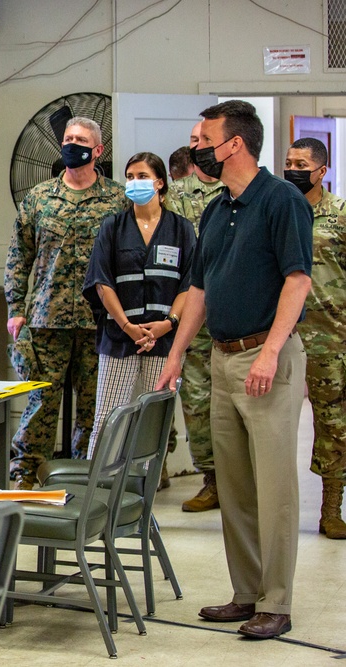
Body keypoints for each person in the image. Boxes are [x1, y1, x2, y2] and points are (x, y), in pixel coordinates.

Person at [157, 100, 312, 640]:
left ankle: (278, 600)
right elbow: (198, 288)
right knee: (237, 487)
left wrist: (270, 350)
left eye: (204, 138)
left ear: (234, 145)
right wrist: (175, 354)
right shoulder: (216, 208)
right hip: (221, 360)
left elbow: (297, 280)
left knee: (274, 490)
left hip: (264, 359)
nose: (196, 146)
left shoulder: (282, 201)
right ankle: (246, 593)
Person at [5, 117, 126, 489]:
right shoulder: (39, 197)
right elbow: (18, 257)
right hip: (46, 320)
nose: (73, 144)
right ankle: (25, 476)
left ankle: (86, 480)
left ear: (98, 150)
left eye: (82, 140)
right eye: (68, 138)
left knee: (94, 410)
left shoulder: (117, 200)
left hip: (99, 322)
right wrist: (16, 310)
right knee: (40, 404)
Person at [83, 152, 196, 458]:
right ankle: (100, 492)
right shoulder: (113, 227)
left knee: (153, 423)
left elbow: (191, 284)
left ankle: (143, 493)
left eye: (142, 176)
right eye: (130, 176)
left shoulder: (181, 229)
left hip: (164, 340)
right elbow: (102, 282)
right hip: (120, 338)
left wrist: (168, 323)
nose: (135, 182)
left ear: (160, 183)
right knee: (108, 419)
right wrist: (127, 327)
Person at [285, 137, 346, 540]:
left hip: (331, 337)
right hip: (280, 336)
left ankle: (330, 510)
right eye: (288, 161)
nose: (292, 169)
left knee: (333, 425)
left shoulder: (340, 214)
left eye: (301, 163)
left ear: (321, 170)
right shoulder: (277, 209)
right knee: (272, 426)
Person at [164, 121, 226, 512]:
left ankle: (242, 482)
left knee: (241, 407)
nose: (198, 146)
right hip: (191, 318)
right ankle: (212, 480)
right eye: (193, 141)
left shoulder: (240, 192)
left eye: (204, 140)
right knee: (197, 405)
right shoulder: (174, 195)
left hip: (235, 318)